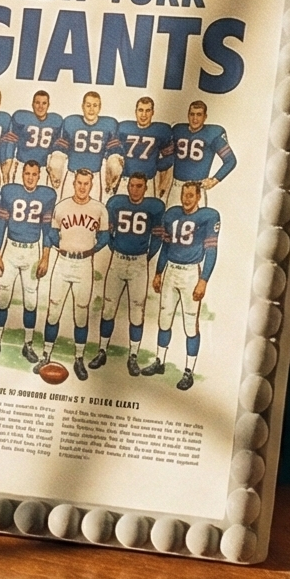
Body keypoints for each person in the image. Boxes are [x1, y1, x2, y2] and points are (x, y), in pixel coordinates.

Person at [142, 181, 219, 390]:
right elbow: (166, 247)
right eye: (184, 195)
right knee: (164, 319)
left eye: (191, 196)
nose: (186, 199)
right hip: (171, 271)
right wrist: (159, 272)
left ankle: (188, 371)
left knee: (190, 325)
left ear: (198, 197)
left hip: (190, 273)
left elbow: (211, 251)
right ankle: (159, 361)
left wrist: (203, 280)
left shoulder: (208, 217)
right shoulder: (172, 214)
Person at [90, 172, 165, 375]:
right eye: (131, 185)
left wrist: (146, 257)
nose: (134, 190)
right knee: (108, 309)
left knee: (136, 312)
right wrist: (116, 248)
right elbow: (107, 230)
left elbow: (157, 237)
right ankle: (102, 350)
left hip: (139, 263)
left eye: (139, 186)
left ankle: (133, 356)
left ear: (146, 187)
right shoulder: (116, 203)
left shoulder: (154, 207)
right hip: (118, 260)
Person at [37, 168, 108, 380]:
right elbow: (50, 231)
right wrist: (58, 245)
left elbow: (105, 237)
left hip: (84, 263)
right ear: (73, 183)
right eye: (79, 183)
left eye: (86, 183)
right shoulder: (61, 206)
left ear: (91, 185)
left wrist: (91, 249)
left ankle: (79, 358)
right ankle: (46, 355)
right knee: (53, 310)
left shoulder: (99, 209)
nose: (82, 187)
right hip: (64, 261)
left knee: (81, 314)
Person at [0, 159, 57, 363]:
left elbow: (47, 229)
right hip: (11, 248)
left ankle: (27, 344)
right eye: (27, 173)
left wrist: (45, 257)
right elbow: (0, 223)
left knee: (31, 301)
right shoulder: (9, 191)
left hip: (32, 252)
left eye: (34, 174)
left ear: (40, 175)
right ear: (22, 173)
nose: (30, 178)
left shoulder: (47, 195)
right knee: (3, 297)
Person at [165, 99, 236, 207]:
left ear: (205, 117)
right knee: (169, 221)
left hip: (197, 188)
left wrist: (215, 179)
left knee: (197, 222)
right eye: (192, 114)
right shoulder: (178, 130)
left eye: (199, 114)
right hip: (177, 187)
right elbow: (167, 156)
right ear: (188, 115)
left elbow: (230, 160)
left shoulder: (212, 134)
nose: (195, 118)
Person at [54, 90, 122, 199]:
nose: (91, 109)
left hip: (95, 175)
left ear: (100, 107)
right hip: (72, 175)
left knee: (94, 211)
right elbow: (60, 149)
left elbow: (114, 153)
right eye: (88, 105)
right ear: (82, 106)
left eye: (95, 105)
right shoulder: (71, 122)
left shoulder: (109, 124)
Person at [114, 95, 174, 199]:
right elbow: (113, 151)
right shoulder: (124, 128)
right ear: (135, 111)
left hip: (148, 182)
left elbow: (169, 157)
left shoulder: (161, 131)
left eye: (148, 110)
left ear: (153, 112)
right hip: (126, 180)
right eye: (141, 110)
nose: (144, 114)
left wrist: (157, 166)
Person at [6, 88, 66, 189]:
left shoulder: (56, 121)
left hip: (43, 168)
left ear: (48, 105)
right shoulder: (21, 118)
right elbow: (10, 142)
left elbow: (59, 147)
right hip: (22, 165)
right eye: (37, 103)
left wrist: (55, 169)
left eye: (44, 103)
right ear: (32, 104)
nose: (40, 107)